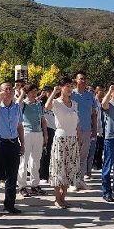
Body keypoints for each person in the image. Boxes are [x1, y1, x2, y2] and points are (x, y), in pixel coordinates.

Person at [0, 82, 25, 216]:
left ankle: (9, 205)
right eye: (6, 89)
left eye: (10, 89)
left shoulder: (16, 107)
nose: (9, 91)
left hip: (13, 143)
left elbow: (19, 126)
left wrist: (22, 143)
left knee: (12, 175)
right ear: (0, 92)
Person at [44, 77, 81, 208]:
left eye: (71, 86)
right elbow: (47, 107)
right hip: (60, 138)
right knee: (59, 168)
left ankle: (63, 197)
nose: (70, 89)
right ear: (61, 87)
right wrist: (54, 92)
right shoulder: (56, 102)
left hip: (72, 138)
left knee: (70, 168)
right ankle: (57, 199)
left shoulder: (74, 103)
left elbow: (77, 123)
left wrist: (78, 138)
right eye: (67, 86)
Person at [17, 83, 48, 196]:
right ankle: (22, 186)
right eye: (32, 91)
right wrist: (22, 94)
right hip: (26, 132)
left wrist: (45, 135)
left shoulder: (39, 104)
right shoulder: (24, 103)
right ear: (27, 93)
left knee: (36, 160)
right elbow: (17, 104)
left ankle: (35, 184)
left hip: (38, 133)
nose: (34, 93)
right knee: (24, 160)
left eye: (35, 91)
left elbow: (43, 120)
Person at [70, 72, 97, 190]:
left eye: (85, 78)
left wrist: (95, 128)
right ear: (76, 80)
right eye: (81, 78)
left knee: (83, 156)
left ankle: (80, 180)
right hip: (73, 130)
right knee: (73, 156)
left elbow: (93, 113)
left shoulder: (90, 95)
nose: (83, 80)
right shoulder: (71, 94)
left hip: (86, 129)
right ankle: (72, 182)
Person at [38, 86, 56, 184]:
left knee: (49, 152)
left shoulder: (55, 102)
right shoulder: (39, 103)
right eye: (46, 92)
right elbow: (30, 102)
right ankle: (41, 175)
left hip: (52, 129)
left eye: (49, 91)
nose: (47, 93)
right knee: (41, 153)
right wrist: (41, 96)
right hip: (41, 128)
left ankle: (46, 174)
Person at [92, 85, 105, 170]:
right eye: (101, 91)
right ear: (96, 92)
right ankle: (93, 163)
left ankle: (99, 163)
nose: (103, 92)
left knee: (100, 147)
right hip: (95, 127)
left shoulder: (103, 102)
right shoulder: (94, 102)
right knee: (95, 147)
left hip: (102, 128)